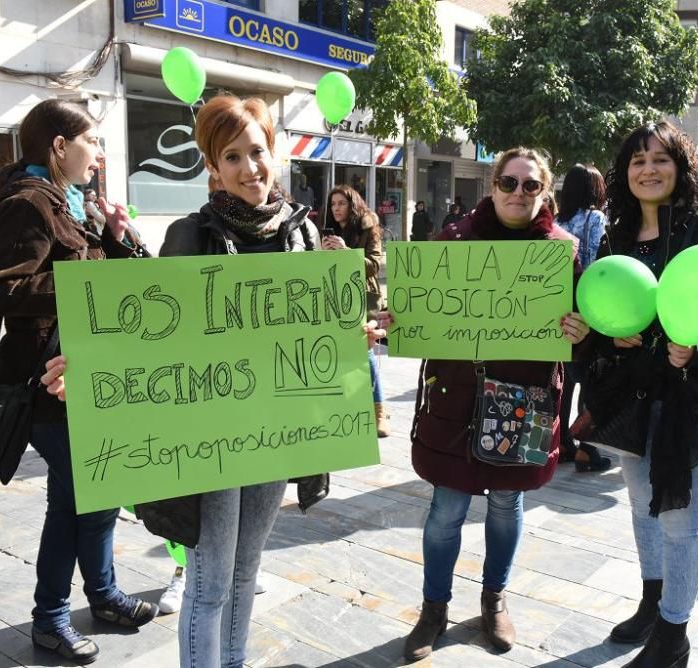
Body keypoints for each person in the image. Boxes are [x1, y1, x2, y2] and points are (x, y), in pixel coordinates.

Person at [126, 94, 363, 668]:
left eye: (256, 151)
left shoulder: (303, 234)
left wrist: (351, 333)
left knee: (245, 572)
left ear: (273, 152)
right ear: (213, 165)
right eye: (231, 156)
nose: (248, 168)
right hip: (210, 436)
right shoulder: (190, 234)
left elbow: (320, 335)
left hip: (275, 431)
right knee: (208, 582)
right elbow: (156, 334)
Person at [0, 99, 156, 664]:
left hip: (85, 374)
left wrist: (121, 238)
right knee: (79, 498)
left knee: (96, 496)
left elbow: (119, 273)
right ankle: (51, 619)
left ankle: (101, 595)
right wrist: (79, 287)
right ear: (59, 145)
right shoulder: (28, 204)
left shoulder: (74, 206)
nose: (99, 153)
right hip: (42, 383)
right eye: (91, 141)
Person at [584, 122, 698, 668]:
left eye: (660, 158)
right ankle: (652, 601)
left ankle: (673, 636)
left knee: (683, 517)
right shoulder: (614, 232)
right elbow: (602, 301)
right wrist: (603, 332)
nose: (648, 169)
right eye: (637, 160)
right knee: (643, 507)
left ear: (682, 164)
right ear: (624, 172)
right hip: (634, 393)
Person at [397, 147, 588, 661]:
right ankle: (433, 608)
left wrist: (578, 329)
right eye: (509, 182)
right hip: (457, 397)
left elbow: (580, 324)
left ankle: (494, 599)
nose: (518, 193)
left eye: (530, 185)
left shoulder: (562, 251)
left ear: (544, 191)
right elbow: (424, 311)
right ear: (492, 186)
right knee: (446, 509)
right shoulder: (452, 242)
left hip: (524, 398)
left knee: (507, 503)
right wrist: (403, 320)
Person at [554, 163, 609, 471]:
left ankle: (561, 443)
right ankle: (587, 448)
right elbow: (596, 263)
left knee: (562, 381)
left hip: (557, 308)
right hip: (586, 308)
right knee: (590, 381)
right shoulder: (595, 218)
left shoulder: (557, 220)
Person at [324, 183, 391, 437]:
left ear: (352, 205)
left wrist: (346, 252)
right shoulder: (328, 230)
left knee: (364, 350)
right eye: (333, 204)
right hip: (335, 294)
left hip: (362, 296)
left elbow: (374, 265)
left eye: (341, 203)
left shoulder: (368, 226)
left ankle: (379, 411)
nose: (337, 208)